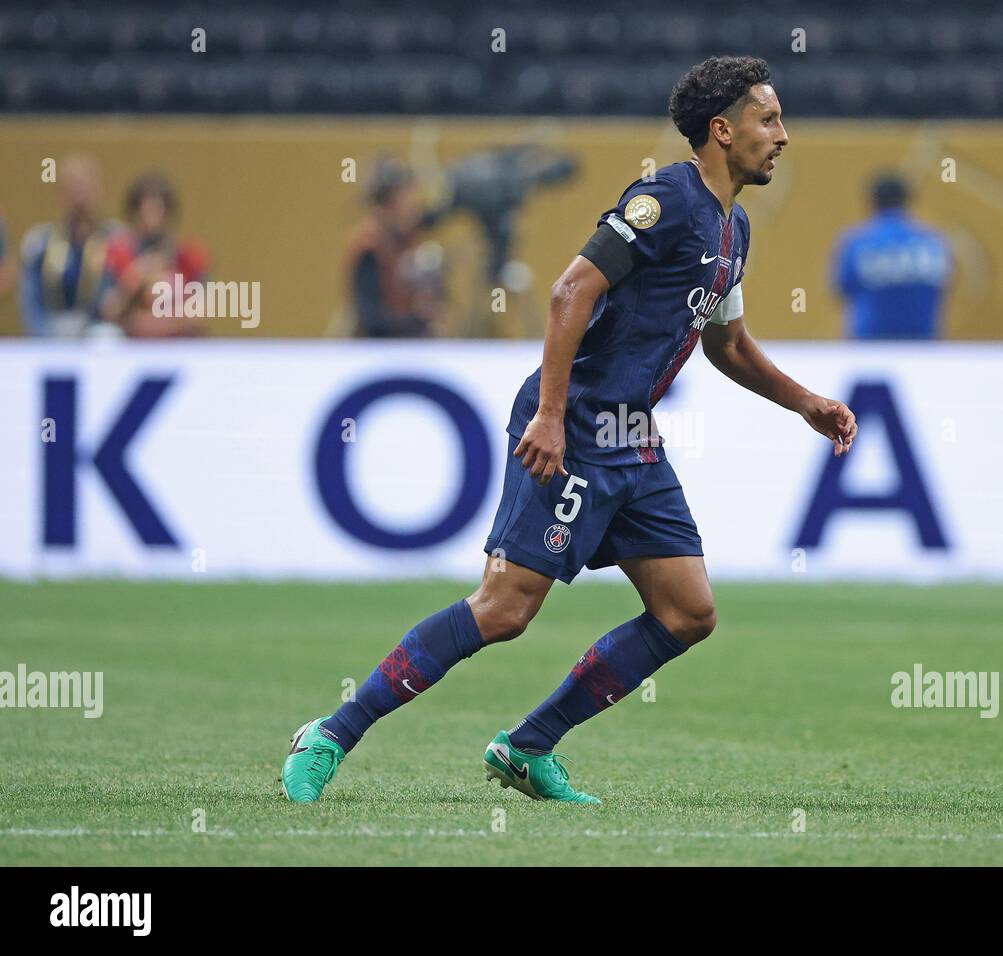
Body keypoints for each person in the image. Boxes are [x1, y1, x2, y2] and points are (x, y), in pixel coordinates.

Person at [280, 55, 858, 805]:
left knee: (688, 612)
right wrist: (551, 415)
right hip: (576, 425)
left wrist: (805, 402)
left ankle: (527, 746)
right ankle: (331, 732)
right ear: (722, 130)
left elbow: (729, 345)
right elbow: (569, 291)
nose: (784, 135)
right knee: (505, 609)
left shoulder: (732, 226)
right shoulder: (664, 201)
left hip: (632, 438)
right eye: (769, 119)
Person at [832, 173, 950, 340]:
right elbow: (942, 287)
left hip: (870, 343)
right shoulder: (932, 241)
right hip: (922, 344)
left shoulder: (857, 243)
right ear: (907, 200)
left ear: (872, 201)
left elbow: (843, 288)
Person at [344, 156, 449, 338]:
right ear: (386, 206)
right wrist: (417, 319)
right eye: (406, 201)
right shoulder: (370, 247)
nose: (414, 208)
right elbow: (371, 319)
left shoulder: (407, 237)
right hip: (380, 349)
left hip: (413, 344)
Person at [18, 155, 119, 337]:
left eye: (85, 188)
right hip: (54, 333)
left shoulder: (117, 239)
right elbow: (31, 304)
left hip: (101, 337)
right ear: (61, 195)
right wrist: (43, 336)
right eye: (72, 189)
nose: (79, 198)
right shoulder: (40, 242)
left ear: (99, 191)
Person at [100, 171, 209, 337]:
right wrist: (137, 275)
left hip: (180, 346)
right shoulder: (118, 254)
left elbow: (201, 314)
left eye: (157, 210)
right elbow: (109, 310)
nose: (151, 217)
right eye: (146, 210)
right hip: (130, 349)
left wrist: (153, 323)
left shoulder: (189, 256)